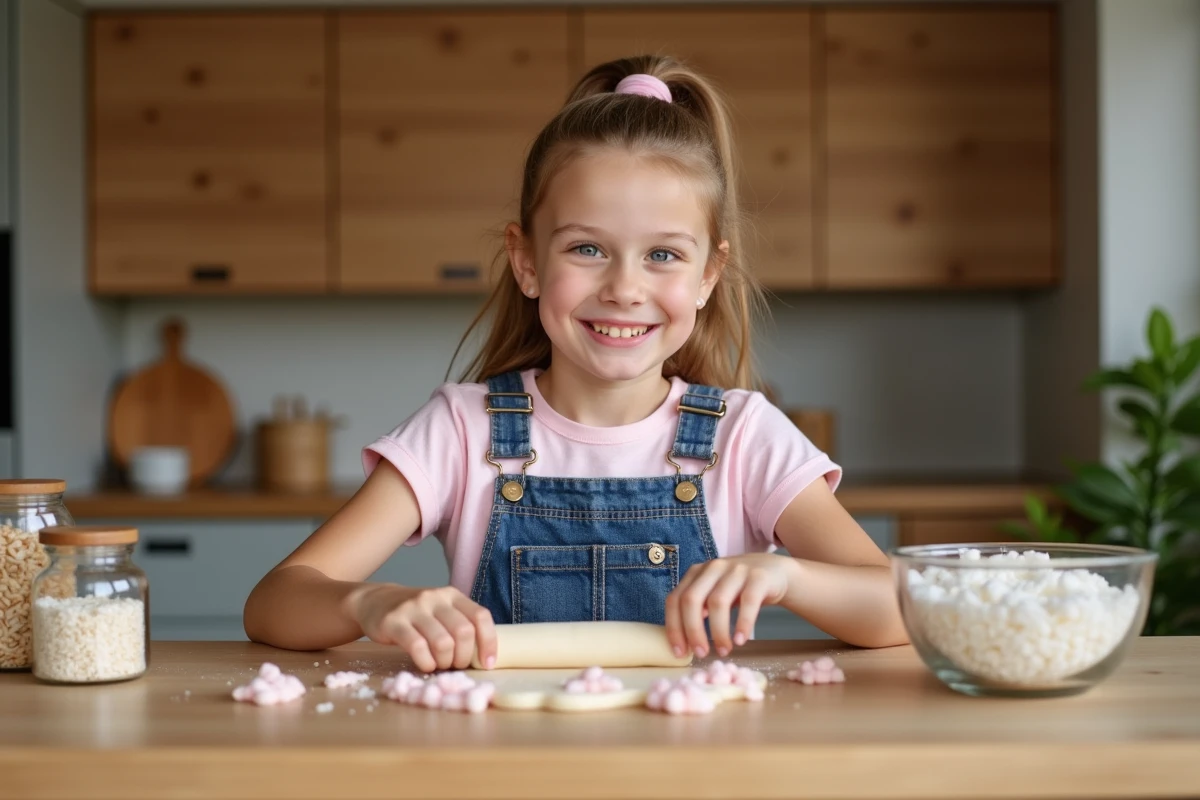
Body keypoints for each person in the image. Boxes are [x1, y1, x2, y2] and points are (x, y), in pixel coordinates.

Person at [244, 55, 908, 673]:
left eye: (663, 255)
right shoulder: (461, 431)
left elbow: (903, 607)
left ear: (709, 275)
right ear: (527, 261)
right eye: (587, 249)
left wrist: (788, 576)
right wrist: (370, 602)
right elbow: (275, 601)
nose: (625, 288)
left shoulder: (745, 438)